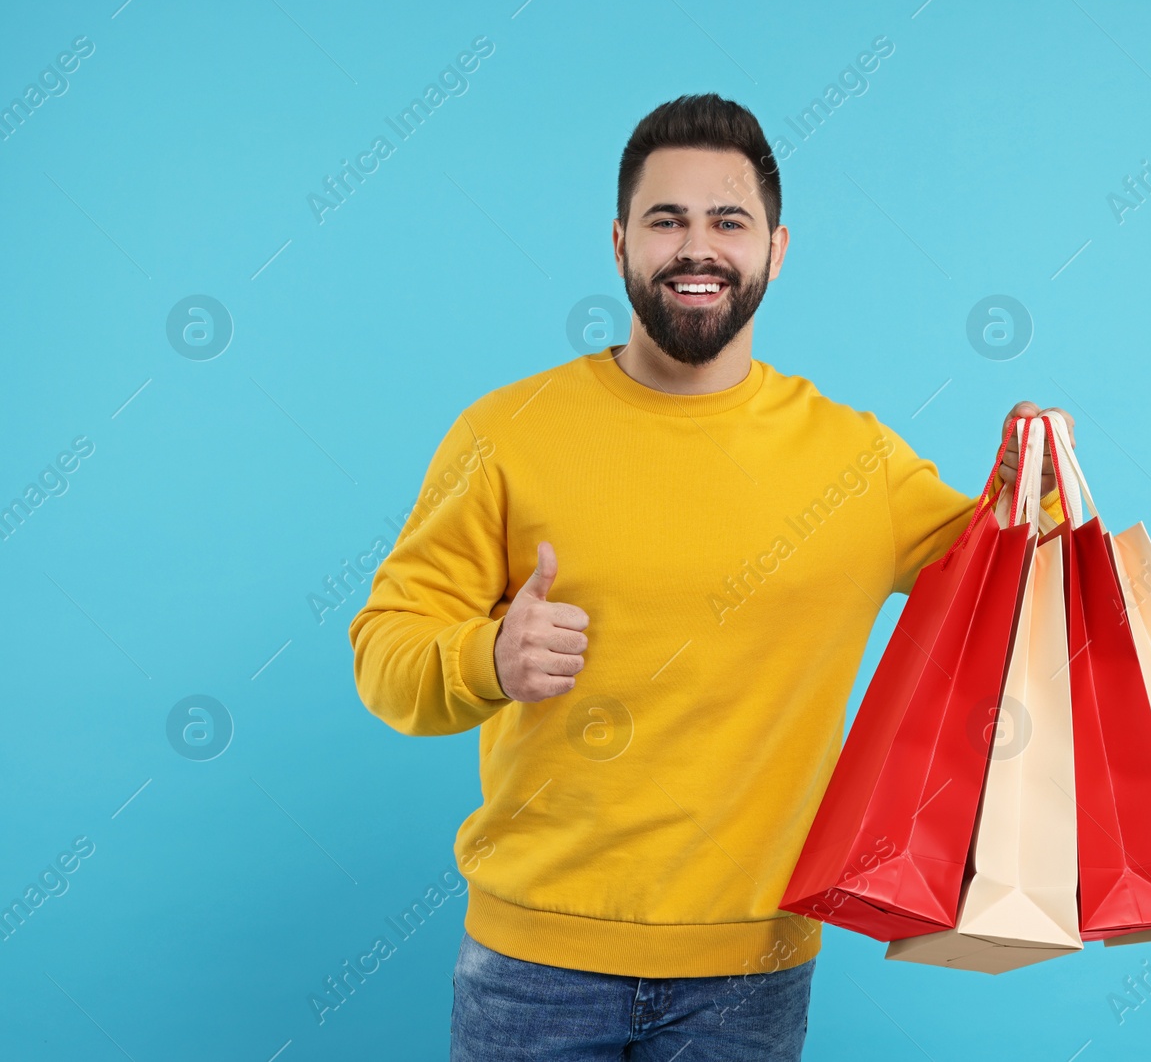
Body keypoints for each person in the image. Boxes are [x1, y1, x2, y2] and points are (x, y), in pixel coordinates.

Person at [348, 92, 1073, 1061]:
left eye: (727, 220)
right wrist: (489, 652)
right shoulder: (506, 434)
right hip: (533, 966)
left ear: (776, 248)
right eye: (666, 220)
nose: (698, 247)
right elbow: (383, 650)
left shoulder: (854, 463)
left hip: (751, 976)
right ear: (618, 245)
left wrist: (1040, 475)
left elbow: (1011, 591)